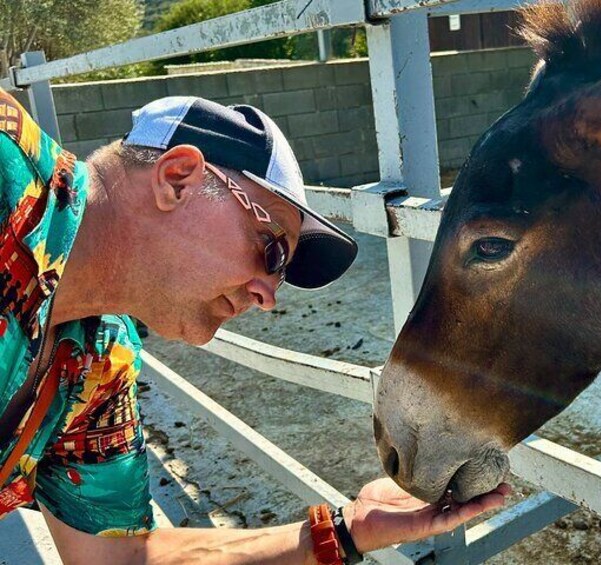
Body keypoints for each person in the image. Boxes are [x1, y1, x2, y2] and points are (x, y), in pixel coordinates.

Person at [0, 89, 509, 563]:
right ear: (178, 178)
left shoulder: (99, 365)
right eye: (270, 248)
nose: (267, 296)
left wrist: (346, 529)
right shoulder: (7, 167)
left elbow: (122, 556)